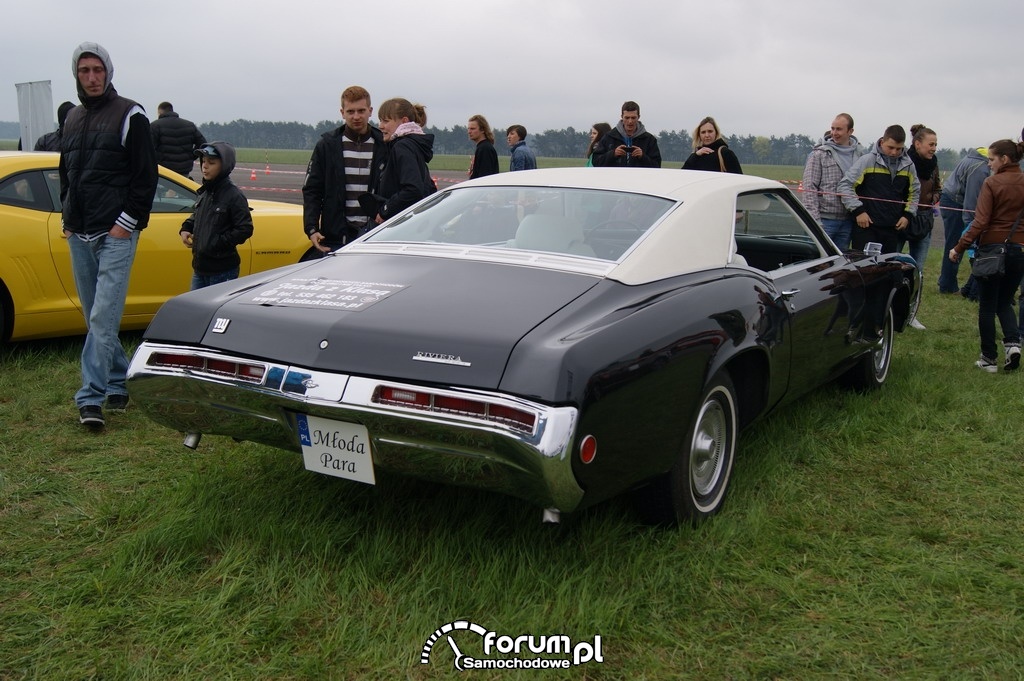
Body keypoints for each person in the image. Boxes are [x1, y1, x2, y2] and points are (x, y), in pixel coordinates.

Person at [59, 42, 158, 428]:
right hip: (79, 233)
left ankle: (90, 397)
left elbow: (145, 176)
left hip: (115, 233)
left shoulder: (130, 114)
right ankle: (119, 381)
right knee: (95, 317)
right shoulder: (72, 119)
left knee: (102, 316)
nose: (92, 77)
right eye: (84, 71)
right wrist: (67, 217)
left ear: (108, 72)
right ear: (77, 75)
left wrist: (126, 223)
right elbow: (66, 172)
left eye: (97, 69)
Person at [948, 139, 1024, 372]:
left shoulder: (992, 183)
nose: (989, 164)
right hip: (1020, 250)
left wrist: (959, 247)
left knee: (988, 305)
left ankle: (988, 358)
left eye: (991, 159)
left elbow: (980, 221)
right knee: (1005, 301)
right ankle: (1013, 345)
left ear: (1005, 159)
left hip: (992, 250)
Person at [302, 85, 385, 253]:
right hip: (336, 236)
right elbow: (312, 189)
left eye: (361, 111)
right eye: (350, 111)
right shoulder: (327, 145)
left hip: (376, 234)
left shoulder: (384, 145)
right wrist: (311, 227)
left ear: (370, 111)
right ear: (342, 113)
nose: (356, 117)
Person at [179, 142, 253, 290]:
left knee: (214, 311)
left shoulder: (233, 195)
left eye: (211, 163)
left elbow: (245, 229)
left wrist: (218, 243)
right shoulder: (205, 192)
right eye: (203, 162)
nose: (205, 166)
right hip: (200, 268)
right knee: (198, 311)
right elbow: (198, 214)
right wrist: (186, 227)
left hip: (222, 271)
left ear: (224, 166)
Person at [836, 124, 920, 254]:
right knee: (865, 269)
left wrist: (908, 215)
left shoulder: (909, 165)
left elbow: (914, 192)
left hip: (892, 228)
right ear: (882, 142)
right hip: (866, 227)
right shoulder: (867, 161)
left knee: (887, 271)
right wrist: (858, 211)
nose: (894, 152)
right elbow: (845, 185)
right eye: (890, 147)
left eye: (899, 149)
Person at [365, 98, 436, 224]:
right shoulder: (415, 145)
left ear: (404, 121)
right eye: (380, 120)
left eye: (386, 121)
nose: (380, 126)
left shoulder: (402, 146)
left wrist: (385, 211)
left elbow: (413, 189)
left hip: (401, 225)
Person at [900, 124, 942, 330]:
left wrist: (931, 198)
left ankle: (911, 314)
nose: (934, 148)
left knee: (918, 270)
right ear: (917, 144)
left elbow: (938, 188)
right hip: (902, 219)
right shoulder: (904, 162)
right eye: (930, 144)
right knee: (894, 266)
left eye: (936, 144)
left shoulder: (934, 164)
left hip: (925, 221)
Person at [800, 113, 862, 249]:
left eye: (839, 129)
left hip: (848, 221)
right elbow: (809, 188)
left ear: (850, 131)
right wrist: (815, 222)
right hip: (824, 220)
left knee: (839, 266)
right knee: (816, 264)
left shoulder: (860, 155)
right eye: (833, 128)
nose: (834, 133)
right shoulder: (819, 154)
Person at [937, 147, 990, 294]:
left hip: (953, 199)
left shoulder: (976, 160)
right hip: (956, 203)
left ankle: (948, 283)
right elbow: (971, 199)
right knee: (956, 244)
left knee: (955, 242)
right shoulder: (980, 168)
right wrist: (971, 225)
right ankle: (947, 286)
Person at [591, 101, 661, 168]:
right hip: (614, 179)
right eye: (627, 118)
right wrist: (613, 154)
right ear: (622, 116)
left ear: (638, 117)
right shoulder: (609, 137)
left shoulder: (649, 140)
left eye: (633, 118)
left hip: (640, 179)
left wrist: (642, 157)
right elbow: (596, 162)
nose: (630, 121)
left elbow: (657, 165)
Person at [150, 102, 206, 178]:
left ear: (159, 112)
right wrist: (191, 156)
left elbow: (149, 149)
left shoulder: (155, 126)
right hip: (184, 170)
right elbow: (202, 144)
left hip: (164, 171)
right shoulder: (189, 125)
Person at [467, 114, 498, 179]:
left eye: (472, 129)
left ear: (482, 130)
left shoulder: (485, 149)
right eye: (468, 129)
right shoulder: (482, 147)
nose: (469, 132)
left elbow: (484, 176)